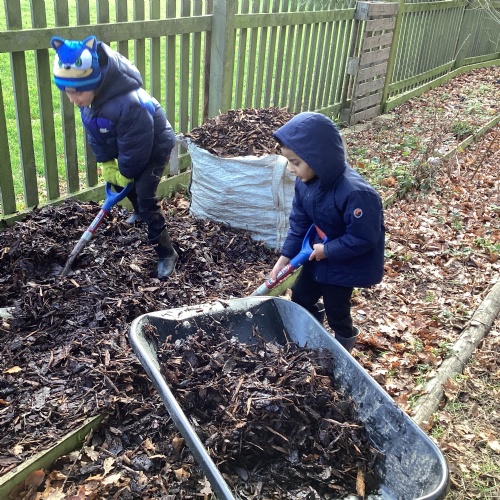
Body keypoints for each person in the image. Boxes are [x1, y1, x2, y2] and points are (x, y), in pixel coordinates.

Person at [51, 35, 178, 279]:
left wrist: (127, 171)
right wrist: (107, 162)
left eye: (76, 93)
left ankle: (166, 252)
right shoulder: (88, 102)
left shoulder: (128, 103)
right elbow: (96, 136)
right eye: (67, 92)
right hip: (130, 145)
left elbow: (137, 145)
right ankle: (139, 212)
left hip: (155, 146)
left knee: (145, 195)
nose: (72, 99)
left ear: (95, 82)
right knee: (123, 183)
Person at [270, 112, 385, 353]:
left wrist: (328, 250)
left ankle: (343, 348)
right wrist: (285, 257)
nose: (290, 169)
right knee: (301, 297)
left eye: (295, 162)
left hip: (343, 267)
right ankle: (313, 337)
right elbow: (299, 223)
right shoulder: (305, 184)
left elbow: (364, 238)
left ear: (318, 158)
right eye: (288, 161)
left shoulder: (356, 194)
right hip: (316, 259)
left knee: (337, 312)